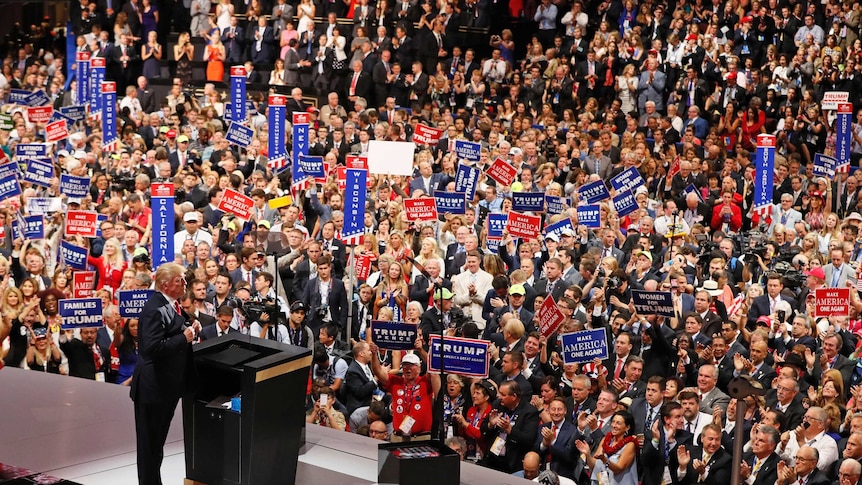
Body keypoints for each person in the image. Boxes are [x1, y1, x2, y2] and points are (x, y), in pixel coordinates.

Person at [131, 263, 201, 485]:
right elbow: (151, 346)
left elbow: (169, 331)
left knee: (156, 444)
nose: (184, 284)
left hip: (166, 387)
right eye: (180, 280)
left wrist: (189, 329)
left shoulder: (171, 304)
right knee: (150, 446)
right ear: (165, 285)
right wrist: (184, 338)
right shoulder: (154, 307)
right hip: (153, 388)